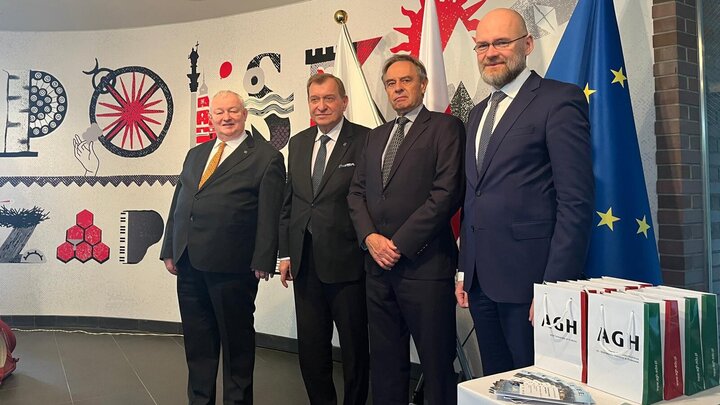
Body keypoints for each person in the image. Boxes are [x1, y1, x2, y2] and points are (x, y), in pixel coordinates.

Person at [456, 8, 594, 376]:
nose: (491, 52)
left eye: (501, 42)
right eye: (482, 45)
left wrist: (554, 288)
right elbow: (475, 198)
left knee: (537, 387)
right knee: (495, 385)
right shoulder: (477, 112)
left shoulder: (558, 100)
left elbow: (575, 201)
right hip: (481, 283)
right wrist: (463, 272)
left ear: (528, 44)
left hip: (531, 284)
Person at [347, 54, 464, 405]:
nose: (398, 89)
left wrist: (396, 244)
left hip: (425, 266)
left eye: (406, 81)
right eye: (391, 83)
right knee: (385, 361)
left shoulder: (446, 128)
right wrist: (370, 239)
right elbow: (356, 193)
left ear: (423, 84)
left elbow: (446, 193)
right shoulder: (375, 136)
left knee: (436, 362)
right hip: (377, 269)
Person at [160, 90, 285, 405]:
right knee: (198, 344)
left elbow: (271, 213)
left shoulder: (266, 156)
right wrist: (169, 248)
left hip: (234, 266)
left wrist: (264, 258)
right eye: (219, 112)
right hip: (189, 262)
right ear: (210, 117)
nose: (226, 117)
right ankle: (200, 400)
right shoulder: (196, 154)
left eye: (233, 111)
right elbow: (181, 202)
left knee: (236, 344)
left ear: (245, 114)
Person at [278, 73, 370, 405]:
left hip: (348, 264)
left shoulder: (366, 140)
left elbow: (371, 201)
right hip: (305, 262)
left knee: (355, 348)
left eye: (329, 99)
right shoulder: (298, 142)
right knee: (311, 348)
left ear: (344, 102)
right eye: (315, 100)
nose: (322, 106)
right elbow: (291, 202)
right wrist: (285, 253)